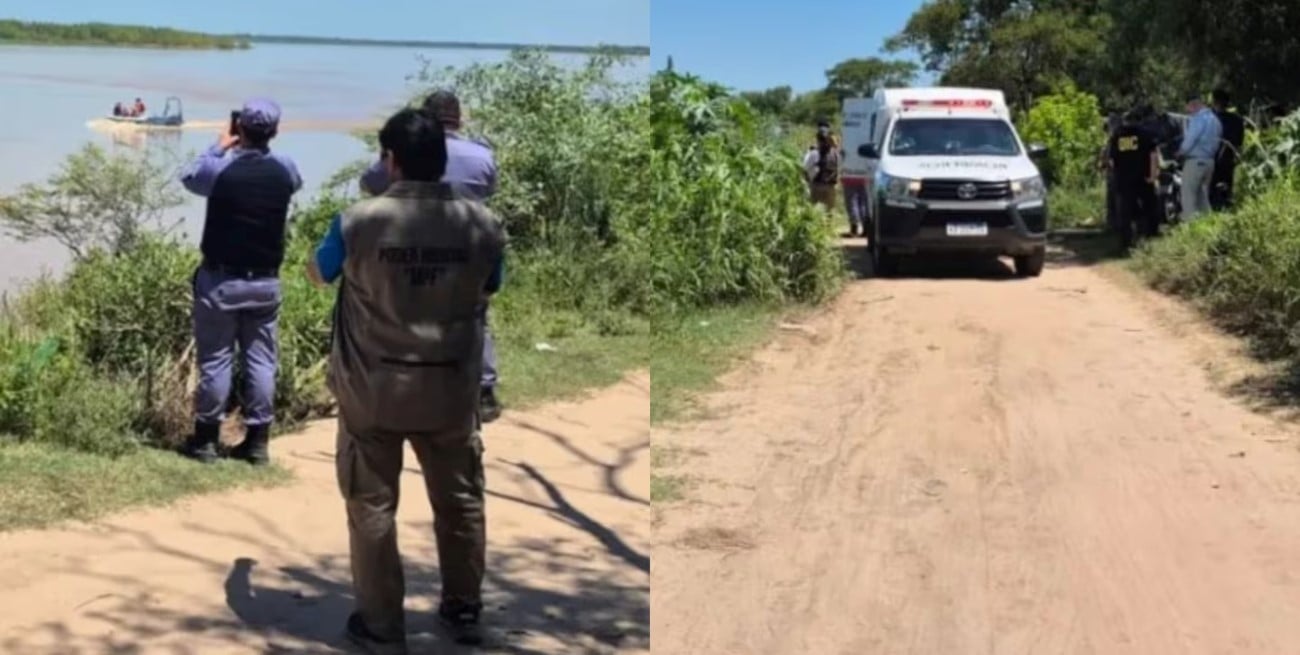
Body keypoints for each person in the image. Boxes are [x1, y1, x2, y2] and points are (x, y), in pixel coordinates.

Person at [309, 107, 506, 651]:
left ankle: (380, 625)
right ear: (443, 158)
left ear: (389, 160)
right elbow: (491, 286)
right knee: (461, 498)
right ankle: (463, 611)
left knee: (372, 505)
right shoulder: (483, 224)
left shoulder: (356, 221)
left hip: (373, 390)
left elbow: (318, 272)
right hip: (450, 389)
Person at [359, 90, 505, 423]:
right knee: (475, 314)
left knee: (404, 314)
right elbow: (490, 189)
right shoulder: (481, 156)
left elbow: (370, 184)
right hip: (468, 242)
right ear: (459, 117)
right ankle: (483, 391)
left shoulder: (410, 152)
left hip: (408, 242)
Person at [177, 99, 303, 466]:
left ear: (240, 128)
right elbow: (293, 183)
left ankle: (205, 442)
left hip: (221, 280)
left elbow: (189, 177)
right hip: (265, 282)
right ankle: (258, 443)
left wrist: (219, 145)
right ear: (275, 132)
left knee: (216, 359)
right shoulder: (285, 169)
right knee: (261, 359)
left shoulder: (221, 169)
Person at [1107, 109, 1161, 248]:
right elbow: (1153, 156)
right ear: (1139, 121)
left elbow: (1112, 160)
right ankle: (1150, 237)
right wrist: (1153, 175)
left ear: (1124, 121)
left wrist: (1115, 176)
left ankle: (1126, 242)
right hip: (1143, 177)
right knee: (1149, 207)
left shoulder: (1116, 137)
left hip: (1123, 179)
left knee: (1124, 212)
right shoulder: (1146, 135)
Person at [1175, 93, 1223, 219]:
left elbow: (1191, 139)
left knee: (1188, 195)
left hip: (1195, 161)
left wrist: (1180, 152)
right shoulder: (1215, 120)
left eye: (1189, 109)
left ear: (1194, 105)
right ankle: (1208, 222)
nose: (1188, 113)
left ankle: (1190, 225)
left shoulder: (1198, 119)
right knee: (1202, 196)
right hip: (1209, 162)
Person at [1210, 89, 1246, 211]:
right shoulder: (1237, 120)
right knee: (1226, 191)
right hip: (1228, 160)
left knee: (1211, 192)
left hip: (1211, 160)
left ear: (1214, 101)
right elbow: (1239, 144)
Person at [803, 121, 839, 213]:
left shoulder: (813, 153)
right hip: (831, 186)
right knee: (829, 213)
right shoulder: (836, 153)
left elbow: (805, 167)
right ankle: (828, 226)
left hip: (816, 185)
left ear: (818, 139)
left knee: (812, 211)